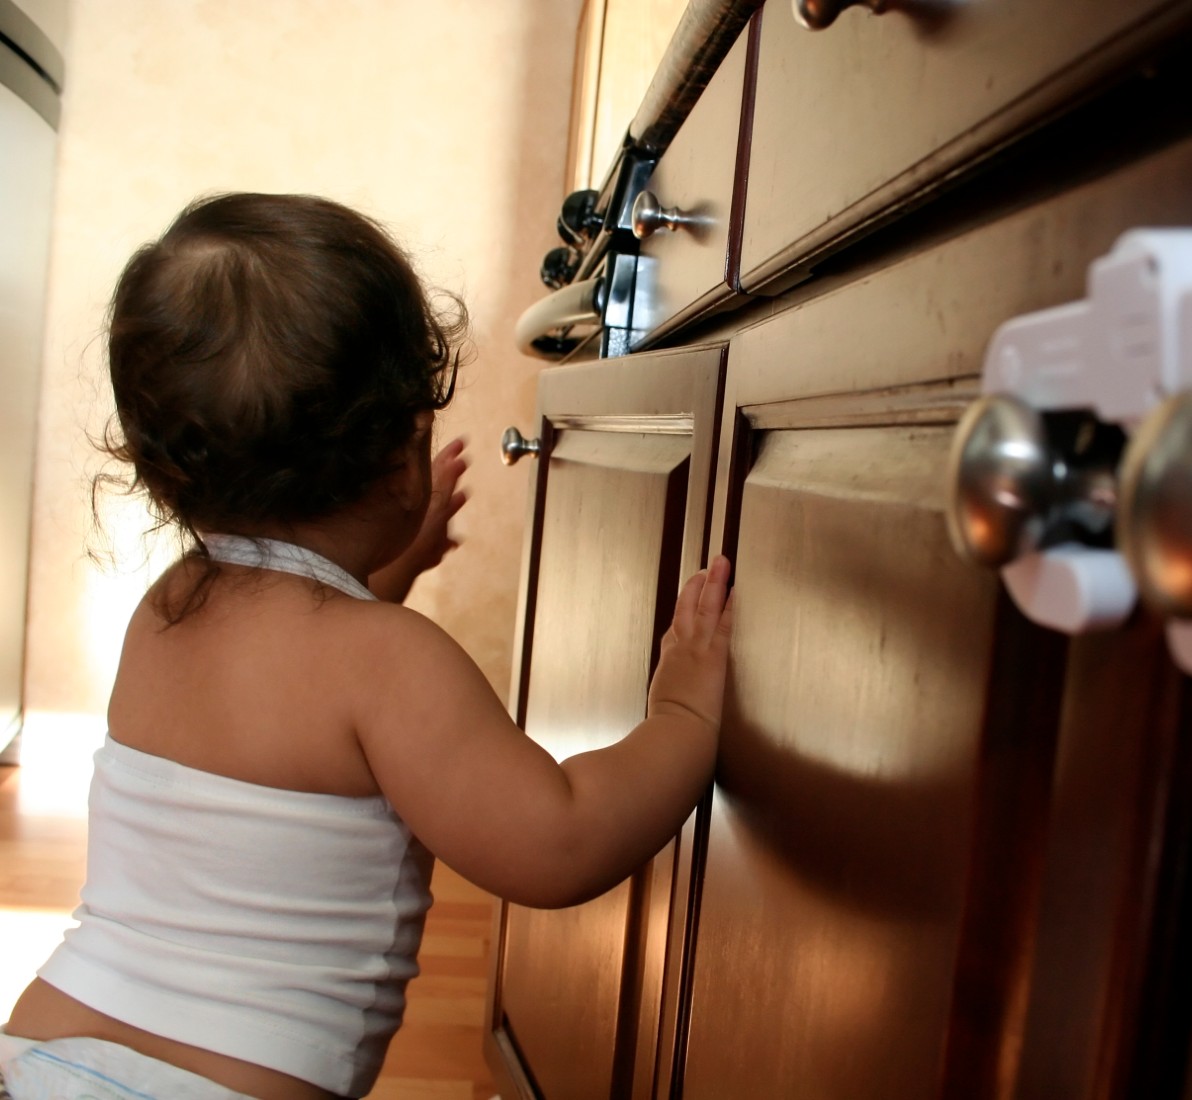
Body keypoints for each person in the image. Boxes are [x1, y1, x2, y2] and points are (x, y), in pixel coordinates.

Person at [0, 193, 733, 1100]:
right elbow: (560, 841)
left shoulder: (168, 608)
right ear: (403, 457)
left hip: (41, 1049)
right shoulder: (391, 662)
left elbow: (295, 679)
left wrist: (382, 572)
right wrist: (687, 716)